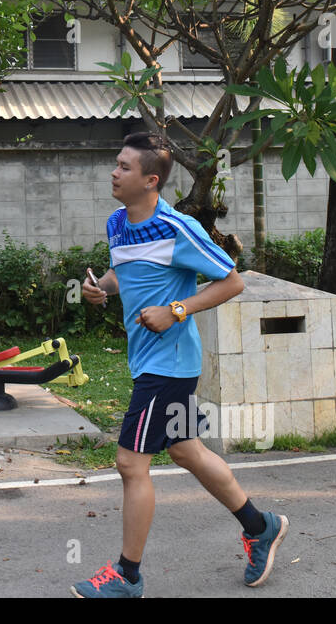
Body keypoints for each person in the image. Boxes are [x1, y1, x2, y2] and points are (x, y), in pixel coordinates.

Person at [73, 132, 288, 598]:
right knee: (186, 450)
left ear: (151, 181)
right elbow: (124, 272)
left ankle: (128, 576)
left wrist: (176, 311)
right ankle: (260, 526)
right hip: (148, 361)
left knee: (131, 463)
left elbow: (231, 282)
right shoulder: (118, 223)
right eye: (116, 162)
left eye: (125, 167)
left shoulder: (178, 228)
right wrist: (101, 289)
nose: (114, 171)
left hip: (169, 364)